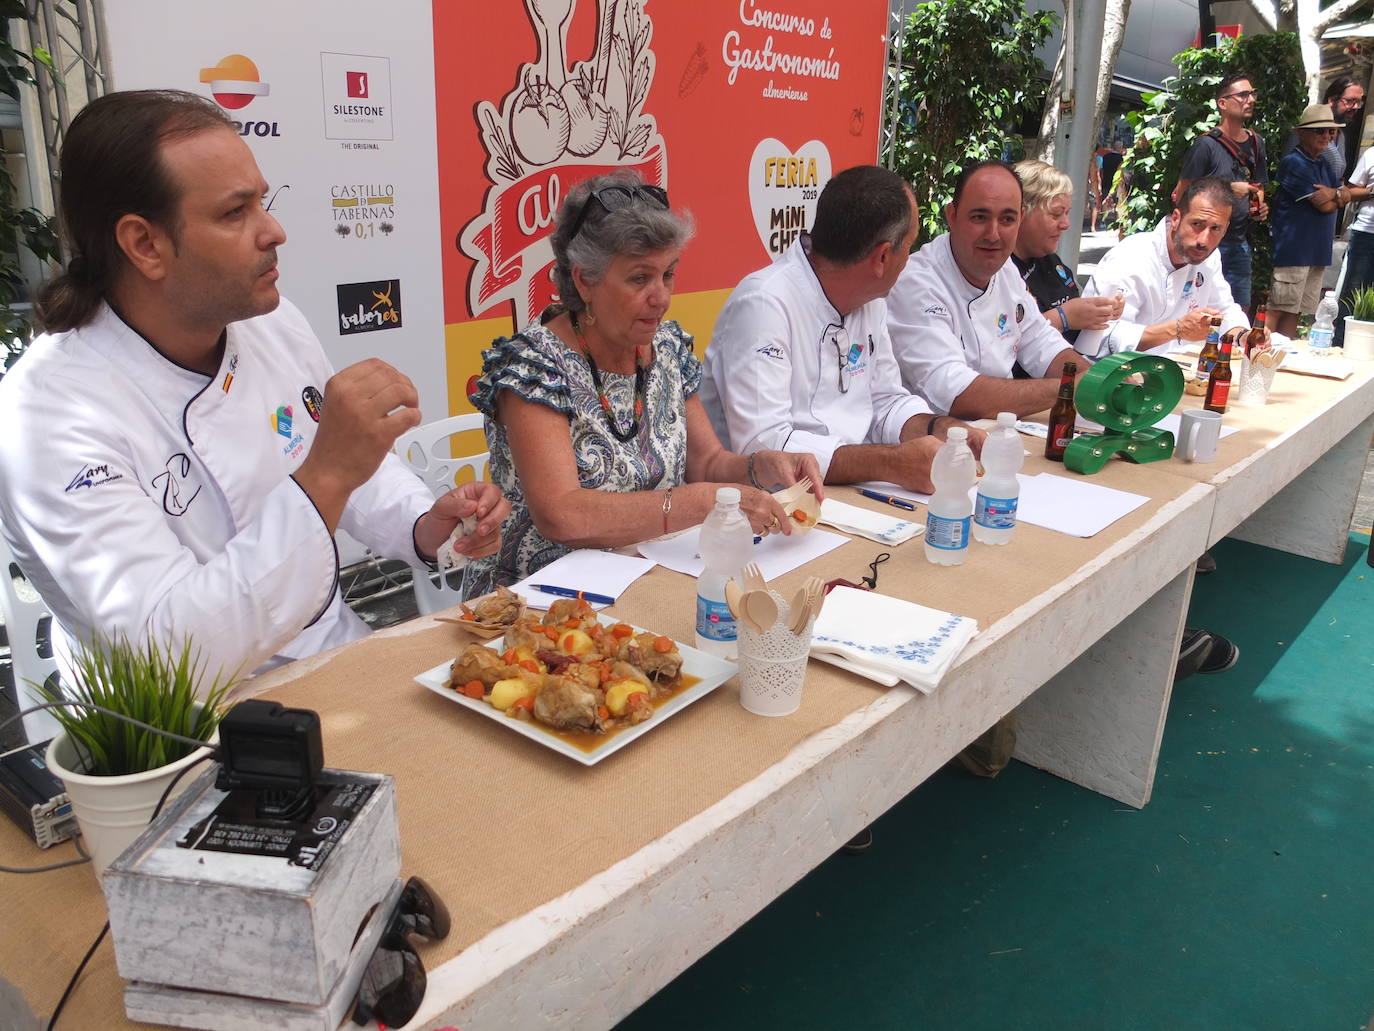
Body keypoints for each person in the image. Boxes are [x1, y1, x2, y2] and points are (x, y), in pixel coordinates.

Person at [0, 90, 510, 682]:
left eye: (263, 202)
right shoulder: (48, 415)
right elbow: (171, 654)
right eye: (234, 212)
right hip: (184, 730)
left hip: (331, 653)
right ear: (144, 244)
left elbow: (347, 470)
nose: (274, 231)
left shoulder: (271, 323)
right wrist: (327, 475)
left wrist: (423, 525)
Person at [470, 169, 822, 590]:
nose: (662, 297)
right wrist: (698, 502)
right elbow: (562, 515)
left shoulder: (667, 349)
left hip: (652, 576)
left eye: (668, 274)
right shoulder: (536, 365)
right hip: (541, 600)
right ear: (585, 280)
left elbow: (707, 463)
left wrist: (760, 465)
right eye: (640, 278)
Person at [1011, 159, 1240, 685]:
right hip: (1028, 407)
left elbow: (1062, 349)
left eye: (1216, 230)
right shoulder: (1119, 260)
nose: (1067, 225)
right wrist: (1074, 330)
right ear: (1176, 214)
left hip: (1080, 395)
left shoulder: (1052, 270)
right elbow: (1014, 355)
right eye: (1056, 213)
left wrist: (1088, 381)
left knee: (1142, 485)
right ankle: (1136, 642)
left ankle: (1153, 619)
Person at [701, 164, 983, 497]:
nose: (910, 257)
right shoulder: (764, 303)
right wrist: (890, 464)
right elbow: (764, 445)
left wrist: (938, 427)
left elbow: (885, 400)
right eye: (908, 246)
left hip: (844, 490)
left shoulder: (871, 298)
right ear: (881, 258)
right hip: (764, 506)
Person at [887, 161, 1082, 420]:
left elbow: (1040, 341)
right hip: (934, 443)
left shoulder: (1006, 270)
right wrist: (1072, 387)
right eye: (980, 217)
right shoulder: (916, 283)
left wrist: (1097, 381)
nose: (993, 234)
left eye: (1007, 219)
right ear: (952, 217)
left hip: (998, 432)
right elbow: (956, 394)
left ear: (1020, 219)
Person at [1074, 176, 1255, 360]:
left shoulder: (1209, 257)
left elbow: (1223, 309)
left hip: (1181, 372)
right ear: (1176, 218)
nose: (1203, 240)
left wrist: (1243, 336)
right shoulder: (1131, 256)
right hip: (1121, 375)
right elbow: (1102, 338)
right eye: (1197, 224)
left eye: (1216, 228)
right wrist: (1176, 329)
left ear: (1225, 230)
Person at [1175, 73, 1270, 309]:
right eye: (1242, 95)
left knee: (1237, 309)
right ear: (1223, 103)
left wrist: (1259, 205)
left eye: (1252, 94)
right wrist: (1228, 189)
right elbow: (1182, 194)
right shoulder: (1206, 145)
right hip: (1204, 241)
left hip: (1238, 241)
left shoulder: (1256, 142)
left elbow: (1259, 185)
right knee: (1196, 307)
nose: (1250, 100)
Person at [1009, 159, 1123, 347]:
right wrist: (1064, 317)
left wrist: (1101, 310)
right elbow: (1001, 342)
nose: (1066, 224)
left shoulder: (1049, 260)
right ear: (1021, 213)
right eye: (1055, 214)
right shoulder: (998, 269)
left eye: (1067, 213)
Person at [1270, 105, 1344, 340]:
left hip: (1315, 251)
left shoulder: (1322, 163)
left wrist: (1337, 194)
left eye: (1330, 132)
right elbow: (1326, 205)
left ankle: (1283, 362)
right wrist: (1340, 196)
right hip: (1295, 251)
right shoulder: (1295, 162)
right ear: (1302, 134)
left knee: (1297, 311)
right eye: (1319, 130)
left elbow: (1339, 194)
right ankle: (1253, 358)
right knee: (1278, 309)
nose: (1326, 136)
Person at [1282, 76, 1365, 181]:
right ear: (1332, 100)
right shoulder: (1308, 131)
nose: (1355, 107)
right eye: (1350, 101)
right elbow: (1288, 174)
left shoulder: (1341, 136)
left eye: (1359, 103)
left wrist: (1337, 192)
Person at [1335, 145, 1374, 345]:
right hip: (1367, 233)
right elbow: (1349, 191)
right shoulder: (1371, 154)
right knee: (1354, 290)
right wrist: (1371, 191)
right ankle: (1341, 342)